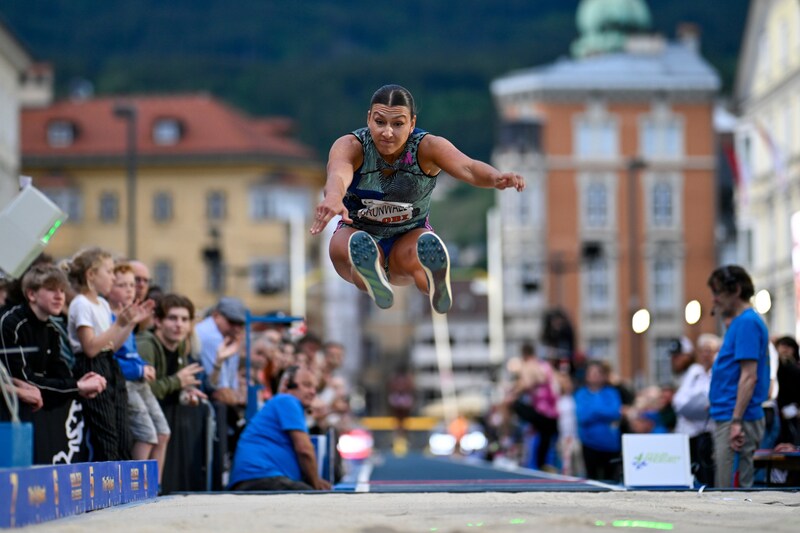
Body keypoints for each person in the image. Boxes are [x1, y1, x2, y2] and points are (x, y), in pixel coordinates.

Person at [309, 84, 525, 314]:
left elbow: (468, 167)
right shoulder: (352, 145)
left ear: (412, 123)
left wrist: (496, 177)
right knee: (346, 248)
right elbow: (338, 172)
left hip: (409, 234)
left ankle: (433, 282)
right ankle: (372, 274)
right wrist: (333, 196)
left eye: (398, 124)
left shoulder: (427, 147)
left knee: (418, 256)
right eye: (380, 122)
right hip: (358, 232)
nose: (387, 132)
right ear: (369, 118)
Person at [0, 264, 107, 463]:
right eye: (51, 290)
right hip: (10, 418)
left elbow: (61, 376)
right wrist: (76, 386)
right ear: (31, 294)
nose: (60, 296)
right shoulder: (10, 323)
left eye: (62, 291)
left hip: (36, 417)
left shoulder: (52, 329)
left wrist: (78, 384)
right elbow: (24, 382)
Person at [65, 247, 154, 461]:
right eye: (109, 271)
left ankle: (123, 484)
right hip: (91, 366)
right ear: (91, 275)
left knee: (123, 432)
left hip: (108, 364)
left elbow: (110, 346)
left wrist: (129, 323)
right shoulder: (81, 304)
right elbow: (91, 347)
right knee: (106, 434)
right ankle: (108, 486)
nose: (113, 277)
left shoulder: (102, 304)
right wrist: (120, 324)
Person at [707, 265, 770, 488]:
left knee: (730, 493)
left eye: (717, 292)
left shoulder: (746, 323)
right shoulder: (743, 322)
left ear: (735, 290)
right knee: (729, 489)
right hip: (733, 416)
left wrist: (736, 421)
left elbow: (749, 377)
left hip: (737, 419)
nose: (714, 299)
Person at [107, 263, 170, 484]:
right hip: (126, 383)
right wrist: (139, 368)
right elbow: (109, 357)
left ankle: (156, 485)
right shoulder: (109, 316)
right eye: (122, 285)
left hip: (139, 381)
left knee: (162, 432)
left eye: (132, 285)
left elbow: (130, 353)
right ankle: (137, 486)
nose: (130, 290)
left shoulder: (128, 316)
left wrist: (144, 365)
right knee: (146, 435)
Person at [138, 294, 207, 493]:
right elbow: (143, 390)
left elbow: (174, 385)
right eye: (172, 318)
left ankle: (154, 488)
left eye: (185, 319)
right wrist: (177, 381)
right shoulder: (146, 344)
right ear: (158, 321)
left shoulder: (181, 347)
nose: (179, 325)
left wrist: (186, 393)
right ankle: (143, 490)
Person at [228, 365, 332, 491]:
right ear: (288, 385)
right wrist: (316, 486)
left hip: (259, 479)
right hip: (259, 477)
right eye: (307, 385)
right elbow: (305, 450)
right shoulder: (286, 400)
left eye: (315, 387)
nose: (313, 392)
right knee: (314, 500)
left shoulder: (284, 404)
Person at [672, 333, 721, 487]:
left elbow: (713, 401)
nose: (706, 355)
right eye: (703, 351)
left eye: (710, 350)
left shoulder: (719, 373)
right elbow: (678, 401)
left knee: (707, 472)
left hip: (708, 432)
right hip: (688, 432)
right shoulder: (694, 372)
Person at [574, 360, 622, 482]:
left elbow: (615, 412)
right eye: (591, 372)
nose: (595, 375)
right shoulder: (581, 394)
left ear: (604, 376)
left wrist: (594, 411)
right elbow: (582, 417)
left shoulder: (612, 392)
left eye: (598, 372)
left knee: (611, 481)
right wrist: (602, 413)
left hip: (610, 446)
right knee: (592, 481)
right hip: (589, 444)